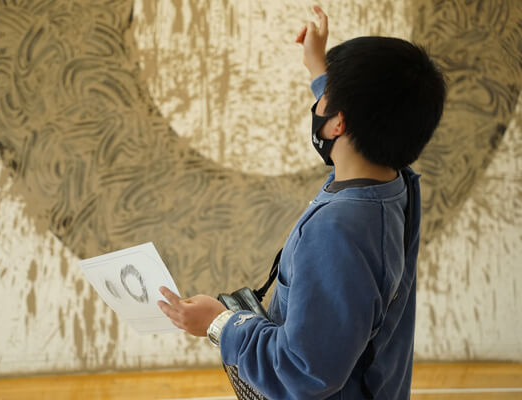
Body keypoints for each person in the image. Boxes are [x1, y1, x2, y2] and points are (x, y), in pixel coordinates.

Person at [158, 5, 446, 399]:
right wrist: (317, 67)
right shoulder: (395, 182)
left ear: (339, 123)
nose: (317, 105)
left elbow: (303, 370)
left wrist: (220, 324)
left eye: (324, 97)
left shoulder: (337, 232)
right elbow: (367, 111)